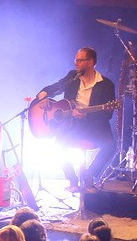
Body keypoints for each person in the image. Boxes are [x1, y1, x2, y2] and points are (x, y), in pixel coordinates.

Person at [35, 47, 117, 192]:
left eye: (80, 60)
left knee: (110, 146)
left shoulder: (106, 85)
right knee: (56, 146)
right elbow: (55, 87)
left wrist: (87, 114)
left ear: (91, 62)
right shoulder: (73, 77)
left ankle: (89, 174)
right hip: (71, 124)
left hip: (94, 125)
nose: (76, 64)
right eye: (76, 60)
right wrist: (43, 95)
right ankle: (72, 179)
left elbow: (108, 115)